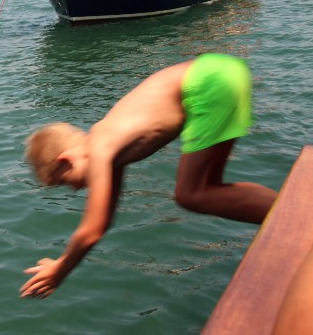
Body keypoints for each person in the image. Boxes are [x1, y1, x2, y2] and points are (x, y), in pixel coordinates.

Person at [20, 54, 277, 299]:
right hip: (220, 71)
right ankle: (292, 210)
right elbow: (104, 220)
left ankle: (295, 218)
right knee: (206, 188)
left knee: (191, 194)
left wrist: (61, 269)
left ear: (66, 159)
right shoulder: (109, 145)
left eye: (65, 181)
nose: (74, 189)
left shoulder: (100, 148)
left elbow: (90, 231)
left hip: (208, 82)